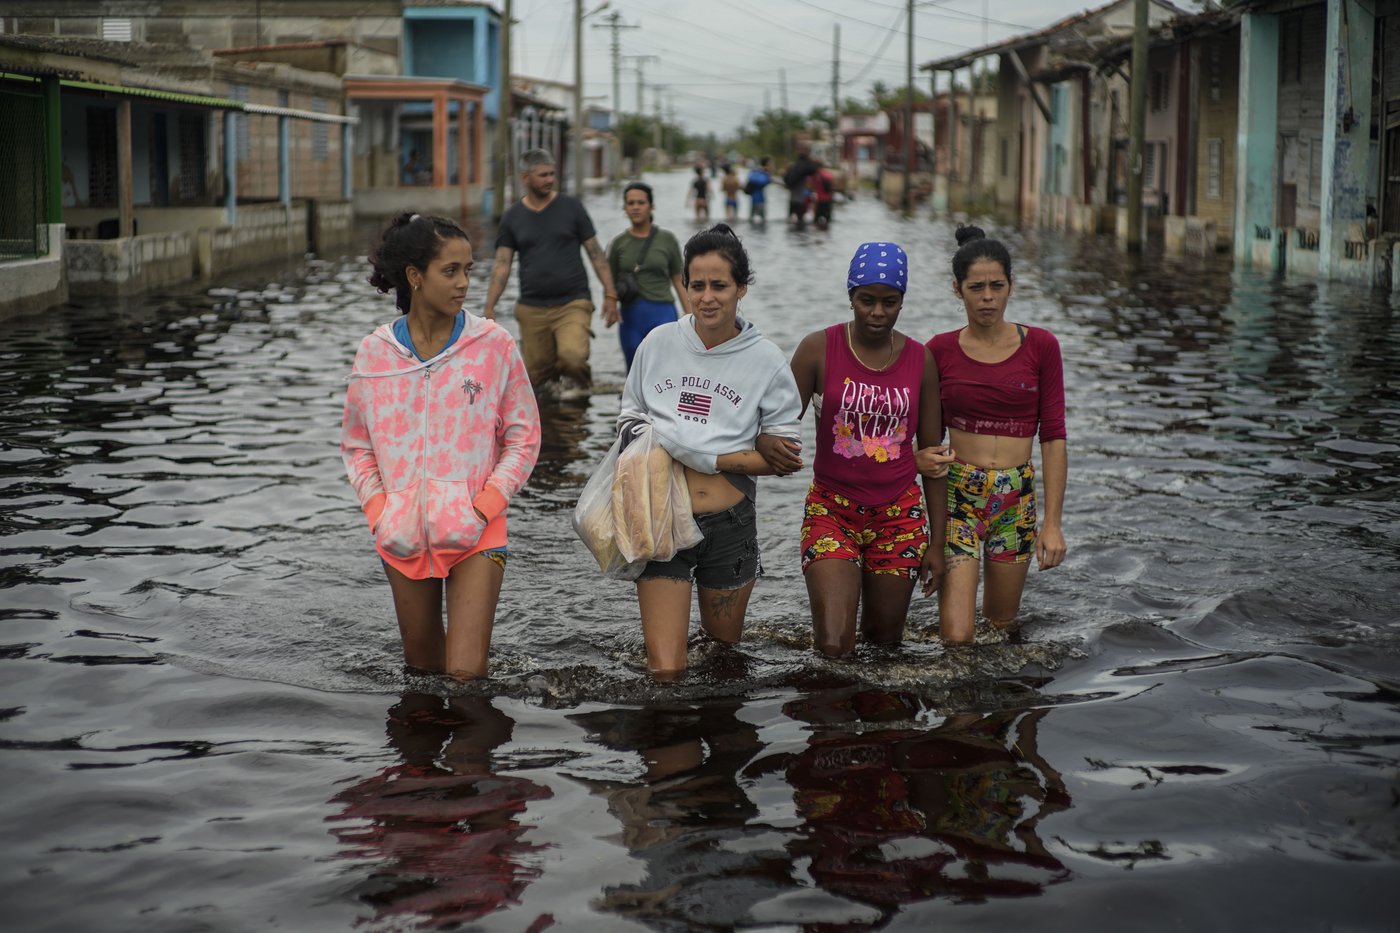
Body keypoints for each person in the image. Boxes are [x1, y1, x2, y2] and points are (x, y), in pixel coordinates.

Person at [342, 212, 542, 679]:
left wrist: (484, 507)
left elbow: (524, 437)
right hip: (401, 536)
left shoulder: (493, 344)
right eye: (450, 271)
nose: (464, 283)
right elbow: (357, 445)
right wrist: (381, 512)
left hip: (478, 530)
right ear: (415, 276)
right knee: (422, 676)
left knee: (466, 677)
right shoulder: (375, 354)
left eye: (468, 269)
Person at [618, 223, 804, 676]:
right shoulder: (658, 343)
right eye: (696, 285)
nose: (707, 297)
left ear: (742, 288)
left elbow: (784, 458)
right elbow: (627, 424)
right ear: (683, 286)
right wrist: (714, 454)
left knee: (723, 663)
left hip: (730, 525)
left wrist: (698, 451)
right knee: (666, 671)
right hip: (661, 519)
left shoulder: (766, 360)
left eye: (719, 286)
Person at [788, 242, 954, 658]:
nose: (878, 312)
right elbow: (777, 425)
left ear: (902, 301)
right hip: (831, 510)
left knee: (884, 646)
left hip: (899, 517)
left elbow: (934, 458)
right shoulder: (817, 349)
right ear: (851, 297)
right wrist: (768, 449)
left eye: (889, 302)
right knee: (833, 646)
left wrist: (938, 543)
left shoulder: (920, 360)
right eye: (867, 300)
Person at [928, 224, 1067, 645]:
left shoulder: (1041, 346)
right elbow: (926, 436)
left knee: (1001, 629)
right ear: (957, 289)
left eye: (996, 286)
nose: (987, 297)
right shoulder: (938, 350)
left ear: (1011, 286)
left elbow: (1053, 437)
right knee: (957, 638)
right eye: (976, 288)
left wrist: (1052, 524)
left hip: (1016, 499)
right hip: (958, 497)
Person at [482, 148, 619, 398]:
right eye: (543, 175)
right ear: (525, 177)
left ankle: (582, 398)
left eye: (552, 174)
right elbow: (502, 263)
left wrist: (610, 294)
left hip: (573, 302)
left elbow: (596, 253)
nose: (549, 179)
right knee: (537, 380)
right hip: (532, 306)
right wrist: (489, 307)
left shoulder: (571, 207)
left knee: (572, 358)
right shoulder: (513, 217)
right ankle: (553, 413)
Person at [606, 181, 687, 372]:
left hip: (663, 313)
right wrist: (610, 304)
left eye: (641, 203)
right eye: (630, 203)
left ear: (651, 206)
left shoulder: (667, 239)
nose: (635, 207)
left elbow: (678, 279)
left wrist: (691, 315)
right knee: (634, 370)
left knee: (665, 370)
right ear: (625, 208)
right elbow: (610, 281)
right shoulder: (618, 243)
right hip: (630, 317)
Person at [783, 143, 819, 226]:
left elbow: (786, 180)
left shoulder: (794, 166)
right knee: (800, 222)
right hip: (800, 200)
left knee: (791, 221)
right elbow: (814, 169)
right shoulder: (806, 166)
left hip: (793, 199)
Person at [744, 157, 772, 225]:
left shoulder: (757, 171)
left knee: (753, 219)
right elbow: (764, 181)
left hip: (756, 198)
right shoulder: (761, 172)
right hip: (758, 199)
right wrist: (766, 175)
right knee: (761, 220)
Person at [810, 159, 836, 229]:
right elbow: (832, 188)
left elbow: (813, 188)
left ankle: (818, 233)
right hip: (828, 201)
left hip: (820, 201)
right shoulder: (829, 175)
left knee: (816, 223)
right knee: (828, 222)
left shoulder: (815, 175)